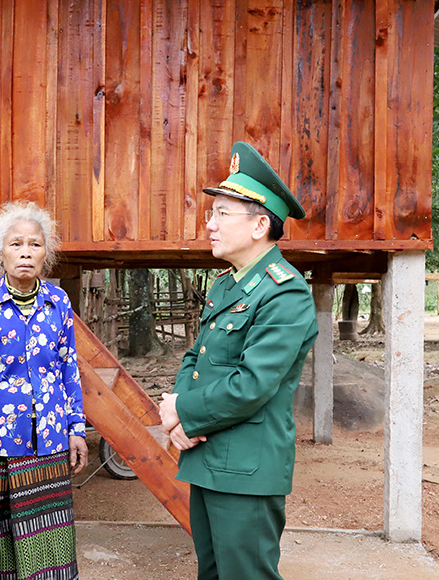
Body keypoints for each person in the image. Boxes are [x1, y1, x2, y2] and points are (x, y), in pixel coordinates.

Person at [159, 142, 319, 580]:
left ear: (260, 225)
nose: (209, 224)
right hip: (210, 459)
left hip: (247, 467)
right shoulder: (227, 286)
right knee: (212, 573)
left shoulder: (284, 293)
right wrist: (177, 414)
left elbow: (252, 384)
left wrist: (184, 413)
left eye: (222, 214)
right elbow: (198, 356)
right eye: (212, 214)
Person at [0, 201, 88, 580]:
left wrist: (76, 428)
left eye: (35, 244)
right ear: (0, 251)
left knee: (50, 552)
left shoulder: (58, 301)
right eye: (16, 244)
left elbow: (69, 367)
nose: (26, 253)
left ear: (46, 253)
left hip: (48, 443)